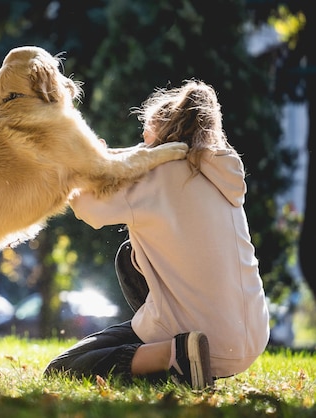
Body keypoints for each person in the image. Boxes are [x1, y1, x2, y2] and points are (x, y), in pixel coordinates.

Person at [44, 80, 270, 389]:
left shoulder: (153, 174)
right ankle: (187, 360)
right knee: (130, 255)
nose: (141, 144)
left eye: (145, 136)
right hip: (250, 337)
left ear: (157, 134)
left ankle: (175, 355)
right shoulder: (219, 170)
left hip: (210, 342)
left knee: (62, 368)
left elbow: (89, 210)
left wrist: (78, 161)